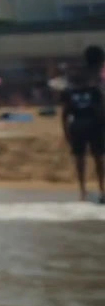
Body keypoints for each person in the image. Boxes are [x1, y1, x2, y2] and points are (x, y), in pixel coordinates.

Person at [60, 45, 105, 201]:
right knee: (98, 157)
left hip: (77, 123)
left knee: (80, 158)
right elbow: (100, 106)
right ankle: (101, 188)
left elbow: (66, 109)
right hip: (94, 122)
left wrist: (65, 129)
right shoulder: (97, 80)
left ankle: (83, 190)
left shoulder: (75, 77)